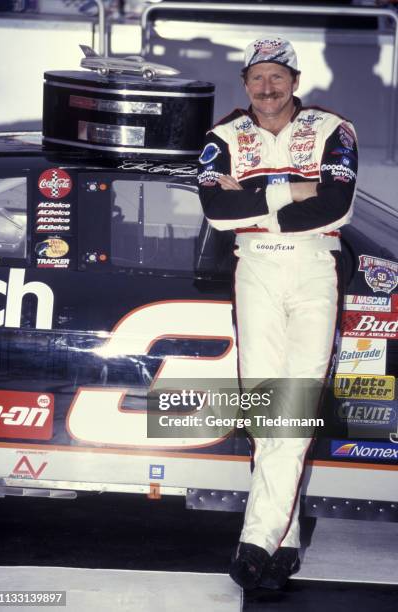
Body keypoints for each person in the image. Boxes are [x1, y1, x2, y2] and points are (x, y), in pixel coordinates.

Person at [197, 36, 358, 590]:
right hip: (256, 270)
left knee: (293, 402)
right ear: (245, 83)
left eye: (277, 77)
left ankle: (257, 542)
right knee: (271, 408)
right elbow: (218, 212)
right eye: (256, 78)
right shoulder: (223, 136)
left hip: (315, 270)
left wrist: (256, 196)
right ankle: (280, 546)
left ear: (294, 80)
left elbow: (336, 204)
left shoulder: (333, 129)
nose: (267, 89)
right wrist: (292, 191)